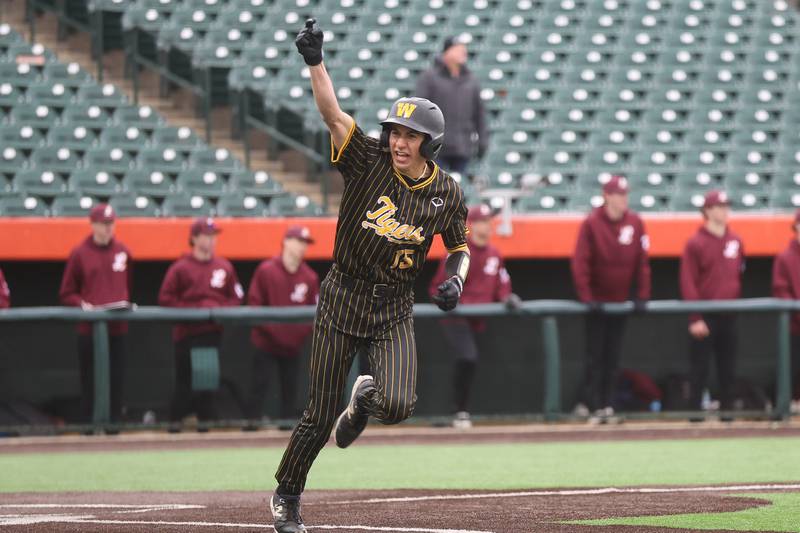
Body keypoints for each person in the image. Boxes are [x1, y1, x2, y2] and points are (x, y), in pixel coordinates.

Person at [270, 19, 470, 533]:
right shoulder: (368, 160)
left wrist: (456, 280)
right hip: (344, 295)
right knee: (318, 416)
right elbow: (334, 115)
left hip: (394, 305)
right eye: (396, 132)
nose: (400, 142)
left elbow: (459, 246)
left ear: (431, 144)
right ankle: (288, 495)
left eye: (412, 136)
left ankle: (365, 400)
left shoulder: (446, 191)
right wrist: (315, 62)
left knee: (399, 404)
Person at [429, 204, 520, 429]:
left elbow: (502, 287)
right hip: (456, 318)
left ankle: (461, 411)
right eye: (481, 222)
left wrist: (508, 298)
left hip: (479, 320)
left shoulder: (494, 254)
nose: (486, 227)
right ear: (470, 225)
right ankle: (458, 411)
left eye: (488, 222)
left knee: (473, 362)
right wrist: (446, 300)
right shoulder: (459, 252)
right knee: (468, 357)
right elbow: (436, 287)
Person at [571, 175, 651, 422]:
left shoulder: (636, 222)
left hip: (620, 302)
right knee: (596, 357)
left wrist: (642, 295)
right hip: (597, 303)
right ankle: (592, 404)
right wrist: (587, 297)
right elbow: (580, 263)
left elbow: (643, 263)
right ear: (607, 196)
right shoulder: (592, 223)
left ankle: (607, 405)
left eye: (625, 194)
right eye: (618, 194)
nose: (623, 199)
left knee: (613, 358)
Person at [158, 218, 243, 424]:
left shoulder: (223, 266)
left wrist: (217, 309)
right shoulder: (181, 267)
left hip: (211, 333)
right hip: (186, 334)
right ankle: (174, 425)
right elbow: (165, 298)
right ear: (194, 239)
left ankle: (204, 428)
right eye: (206, 235)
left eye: (213, 236)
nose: (211, 240)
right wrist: (194, 310)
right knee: (184, 383)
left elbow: (237, 297)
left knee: (207, 383)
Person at [59, 204, 132, 423]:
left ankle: (115, 425)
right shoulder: (80, 252)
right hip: (89, 329)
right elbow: (66, 293)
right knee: (90, 380)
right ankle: (90, 426)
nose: (108, 228)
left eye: (111, 224)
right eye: (103, 224)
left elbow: (127, 285)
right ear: (93, 225)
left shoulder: (123, 251)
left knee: (116, 379)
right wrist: (83, 305)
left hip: (117, 327)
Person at [247, 225, 319, 424]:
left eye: (305, 243)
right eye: (298, 241)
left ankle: (286, 433)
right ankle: (250, 428)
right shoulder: (266, 270)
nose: (302, 247)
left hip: (292, 346)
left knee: (290, 390)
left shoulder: (309, 276)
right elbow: (254, 305)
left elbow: (314, 312)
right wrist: (275, 331)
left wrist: (295, 335)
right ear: (286, 242)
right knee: (259, 387)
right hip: (266, 343)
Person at [680, 190, 744, 414]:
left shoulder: (735, 240)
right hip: (705, 315)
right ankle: (694, 417)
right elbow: (688, 282)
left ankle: (727, 416)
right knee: (700, 369)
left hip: (730, 314)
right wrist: (695, 317)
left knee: (728, 369)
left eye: (727, 206)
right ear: (707, 211)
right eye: (720, 206)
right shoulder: (695, 243)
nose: (725, 210)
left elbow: (738, 275)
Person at [415, 34, 488, 175]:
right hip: (435, 148)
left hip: (463, 148)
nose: (464, 52)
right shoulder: (429, 78)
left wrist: (483, 141)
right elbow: (419, 110)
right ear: (447, 52)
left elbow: (479, 114)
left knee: (458, 192)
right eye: (458, 48)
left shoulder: (471, 80)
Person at [771, 209, 800, 411]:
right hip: (794, 326)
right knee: (790, 368)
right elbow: (780, 291)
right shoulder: (785, 257)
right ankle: (784, 409)